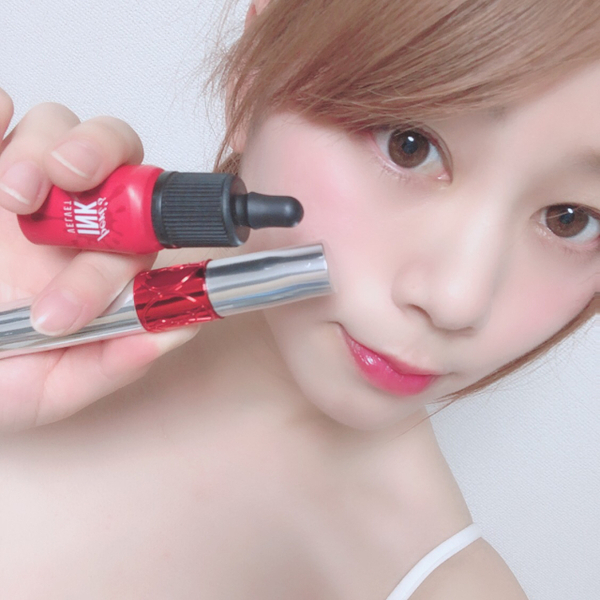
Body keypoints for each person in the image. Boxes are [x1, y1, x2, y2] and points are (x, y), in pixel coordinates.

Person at [0, 0, 598, 597]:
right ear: (257, 71)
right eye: (409, 146)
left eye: (570, 220)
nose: (457, 300)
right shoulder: (27, 290)